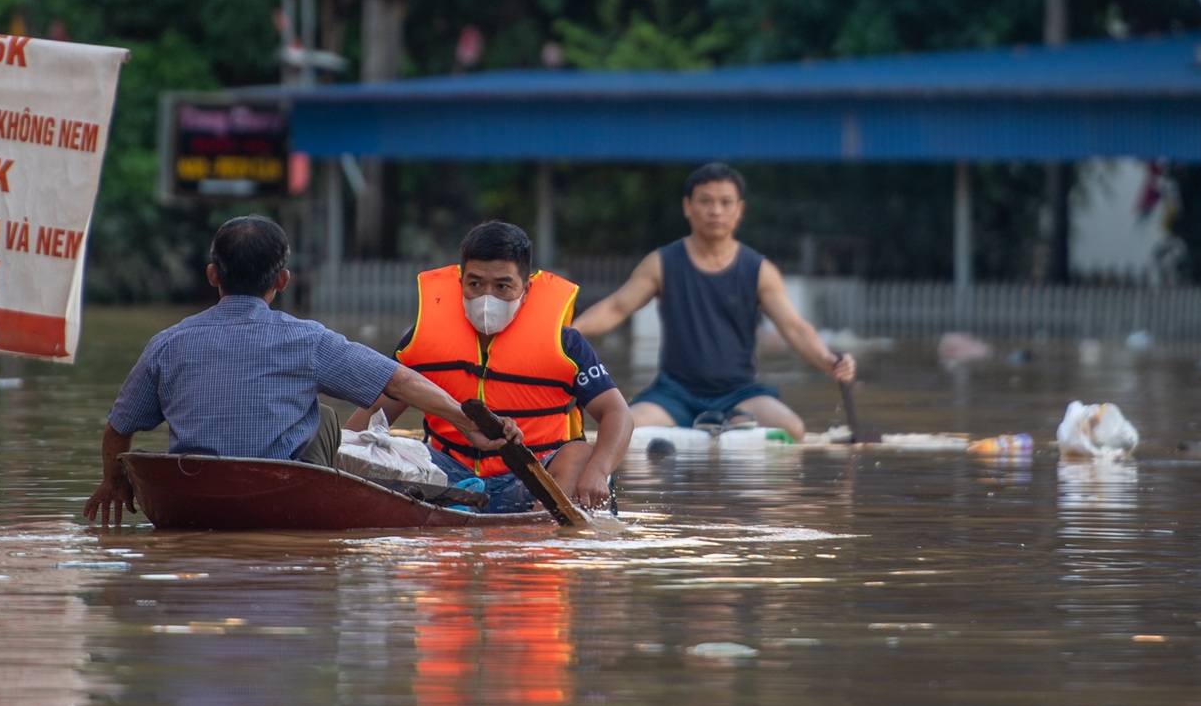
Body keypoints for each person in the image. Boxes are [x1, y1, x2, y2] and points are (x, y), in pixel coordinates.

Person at [87, 216, 514, 523]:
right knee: (325, 417)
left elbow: (117, 428)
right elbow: (399, 381)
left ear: (213, 275)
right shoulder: (307, 340)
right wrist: (465, 420)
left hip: (187, 501)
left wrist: (114, 483)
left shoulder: (167, 343)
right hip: (279, 498)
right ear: (283, 281)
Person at [347, 221, 634, 513]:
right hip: (446, 476)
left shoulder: (567, 344)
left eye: (502, 286)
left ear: (526, 288)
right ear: (460, 283)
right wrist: (338, 457)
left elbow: (617, 413)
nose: (487, 297)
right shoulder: (422, 340)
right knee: (378, 450)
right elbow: (371, 416)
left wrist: (598, 471)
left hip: (533, 478)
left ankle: (541, 532)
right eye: (475, 284)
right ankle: (450, 513)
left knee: (582, 456)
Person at [574, 162, 855, 440]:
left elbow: (794, 327)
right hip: (674, 393)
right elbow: (615, 307)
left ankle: (732, 421)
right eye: (705, 201)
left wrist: (828, 360)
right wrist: (567, 334)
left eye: (725, 202)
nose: (715, 210)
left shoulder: (759, 270)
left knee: (793, 429)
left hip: (741, 394)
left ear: (739, 210)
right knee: (625, 429)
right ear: (687, 206)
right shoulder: (661, 263)